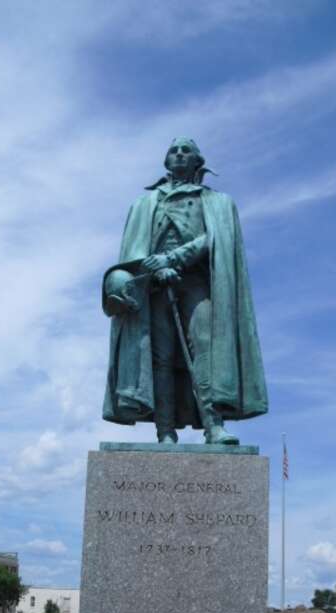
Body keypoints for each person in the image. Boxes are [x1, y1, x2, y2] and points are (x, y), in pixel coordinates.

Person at [102, 137, 267, 444]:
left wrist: (173, 258)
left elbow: (214, 239)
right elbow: (134, 251)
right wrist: (155, 268)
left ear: (197, 161)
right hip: (154, 286)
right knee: (160, 358)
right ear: (166, 161)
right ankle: (165, 431)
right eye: (173, 150)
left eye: (186, 151)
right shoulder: (145, 203)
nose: (179, 154)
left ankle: (213, 426)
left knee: (205, 349)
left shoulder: (216, 201)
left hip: (197, 282)